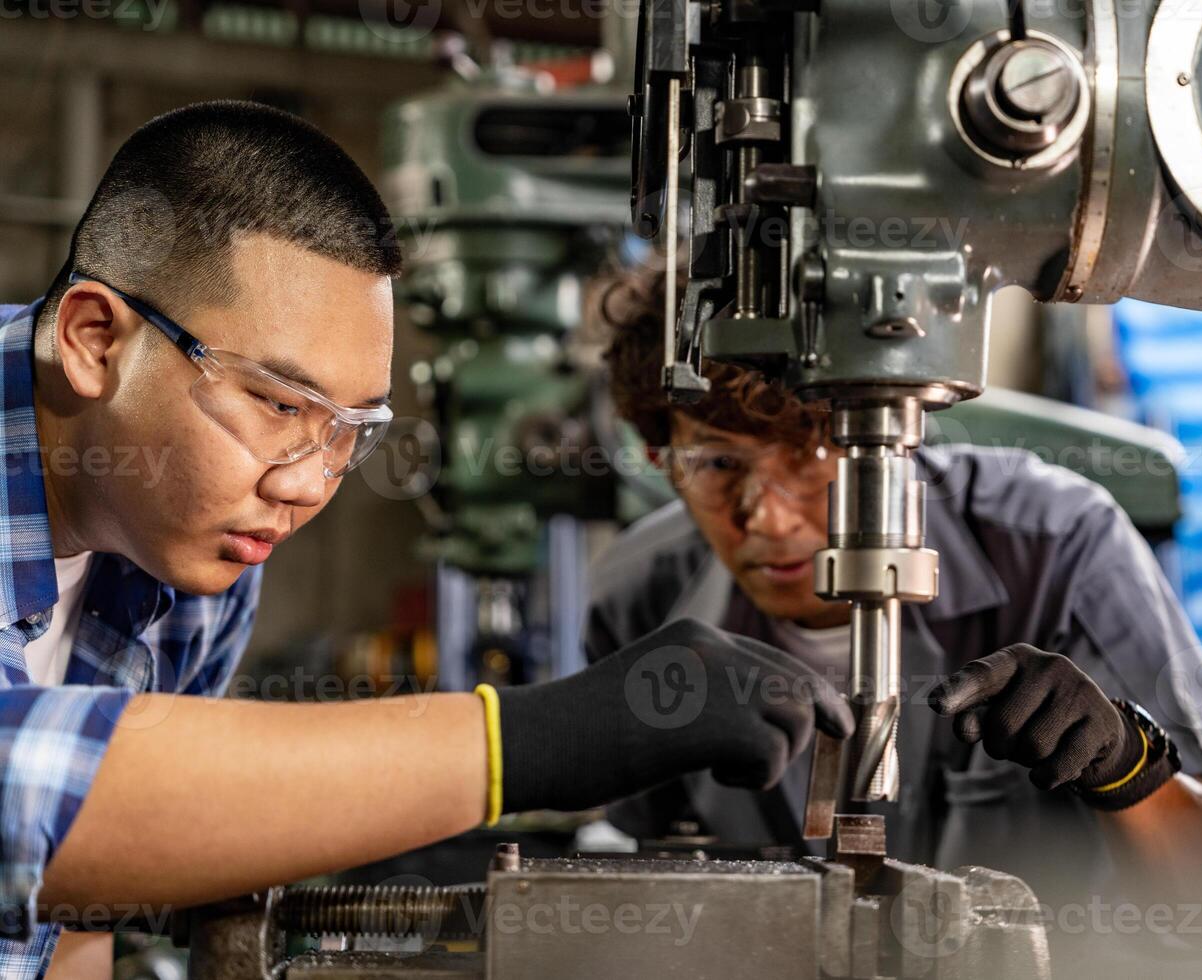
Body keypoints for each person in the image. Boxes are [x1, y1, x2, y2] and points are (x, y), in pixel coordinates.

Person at [0, 102, 852, 979]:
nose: (307, 484)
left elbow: (80, 903)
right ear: (94, 339)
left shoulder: (204, 532)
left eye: (348, 432)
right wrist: (532, 742)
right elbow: (18, 796)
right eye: (281, 405)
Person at [589, 271, 1202, 979]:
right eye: (718, 462)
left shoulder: (1058, 547)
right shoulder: (639, 600)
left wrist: (1127, 768)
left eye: (809, 452)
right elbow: (660, 899)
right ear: (659, 459)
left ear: (892, 434)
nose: (765, 515)